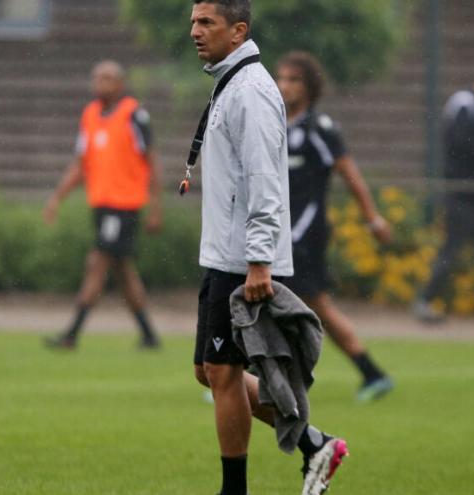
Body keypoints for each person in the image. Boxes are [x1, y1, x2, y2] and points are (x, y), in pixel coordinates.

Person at [189, 2, 347, 494]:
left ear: (238, 31)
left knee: (223, 372)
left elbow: (263, 182)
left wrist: (259, 260)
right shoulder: (232, 82)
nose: (195, 31)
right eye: (193, 21)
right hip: (224, 254)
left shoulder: (251, 91)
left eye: (206, 22)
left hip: (241, 259)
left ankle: (235, 489)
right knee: (208, 372)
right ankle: (315, 443)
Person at [275, 51, 394, 402]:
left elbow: (351, 176)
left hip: (304, 235)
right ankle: (371, 372)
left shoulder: (320, 130)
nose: (284, 86)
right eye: (281, 78)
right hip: (281, 232)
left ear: (310, 87)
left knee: (281, 299)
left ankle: (243, 375)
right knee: (313, 306)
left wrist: (372, 219)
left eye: (293, 80)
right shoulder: (276, 125)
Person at [42, 60, 163, 350]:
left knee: (96, 263)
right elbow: (80, 164)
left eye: (107, 78)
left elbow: (152, 161)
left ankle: (71, 335)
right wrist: (57, 197)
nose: (100, 83)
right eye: (96, 78)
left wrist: (156, 206)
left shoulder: (134, 115)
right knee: (123, 272)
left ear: (120, 84)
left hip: (124, 206)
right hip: (102, 206)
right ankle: (149, 335)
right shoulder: (90, 115)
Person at [414, 75, 474, 323]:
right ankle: (425, 300)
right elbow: (463, 145)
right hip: (462, 194)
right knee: (451, 250)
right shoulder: (464, 104)